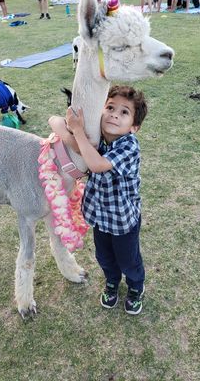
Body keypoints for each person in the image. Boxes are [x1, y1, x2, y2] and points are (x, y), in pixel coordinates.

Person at [49, 85, 148, 315]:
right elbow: (61, 129)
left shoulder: (129, 146)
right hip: (100, 217)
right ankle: (112, 282)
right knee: (104, 256)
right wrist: (62, 124)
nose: (114, 114)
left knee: (128, 259)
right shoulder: (98, 138)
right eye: (110, 107)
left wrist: (76, 131)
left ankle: (135, 286)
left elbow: (96, 164)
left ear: (134, 127)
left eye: (124, 112)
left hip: (123, 221)